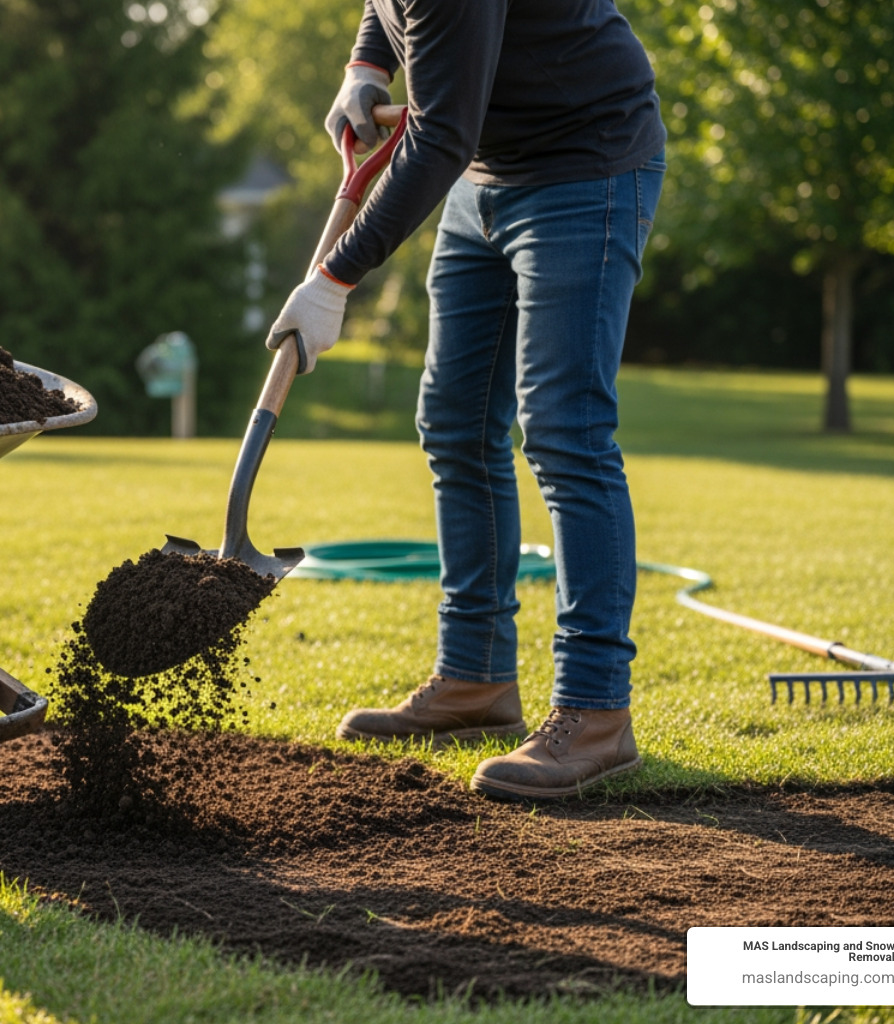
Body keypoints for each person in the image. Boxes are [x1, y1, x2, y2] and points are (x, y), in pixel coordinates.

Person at [266, 0, 667, 800]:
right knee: (453, 422)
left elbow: (439, 133)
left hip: (586, 166)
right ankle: (476, 680)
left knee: (565, 431)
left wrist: (336, 277)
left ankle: (596, 712)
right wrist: (365, 66)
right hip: (484, 177)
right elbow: (391, 11)